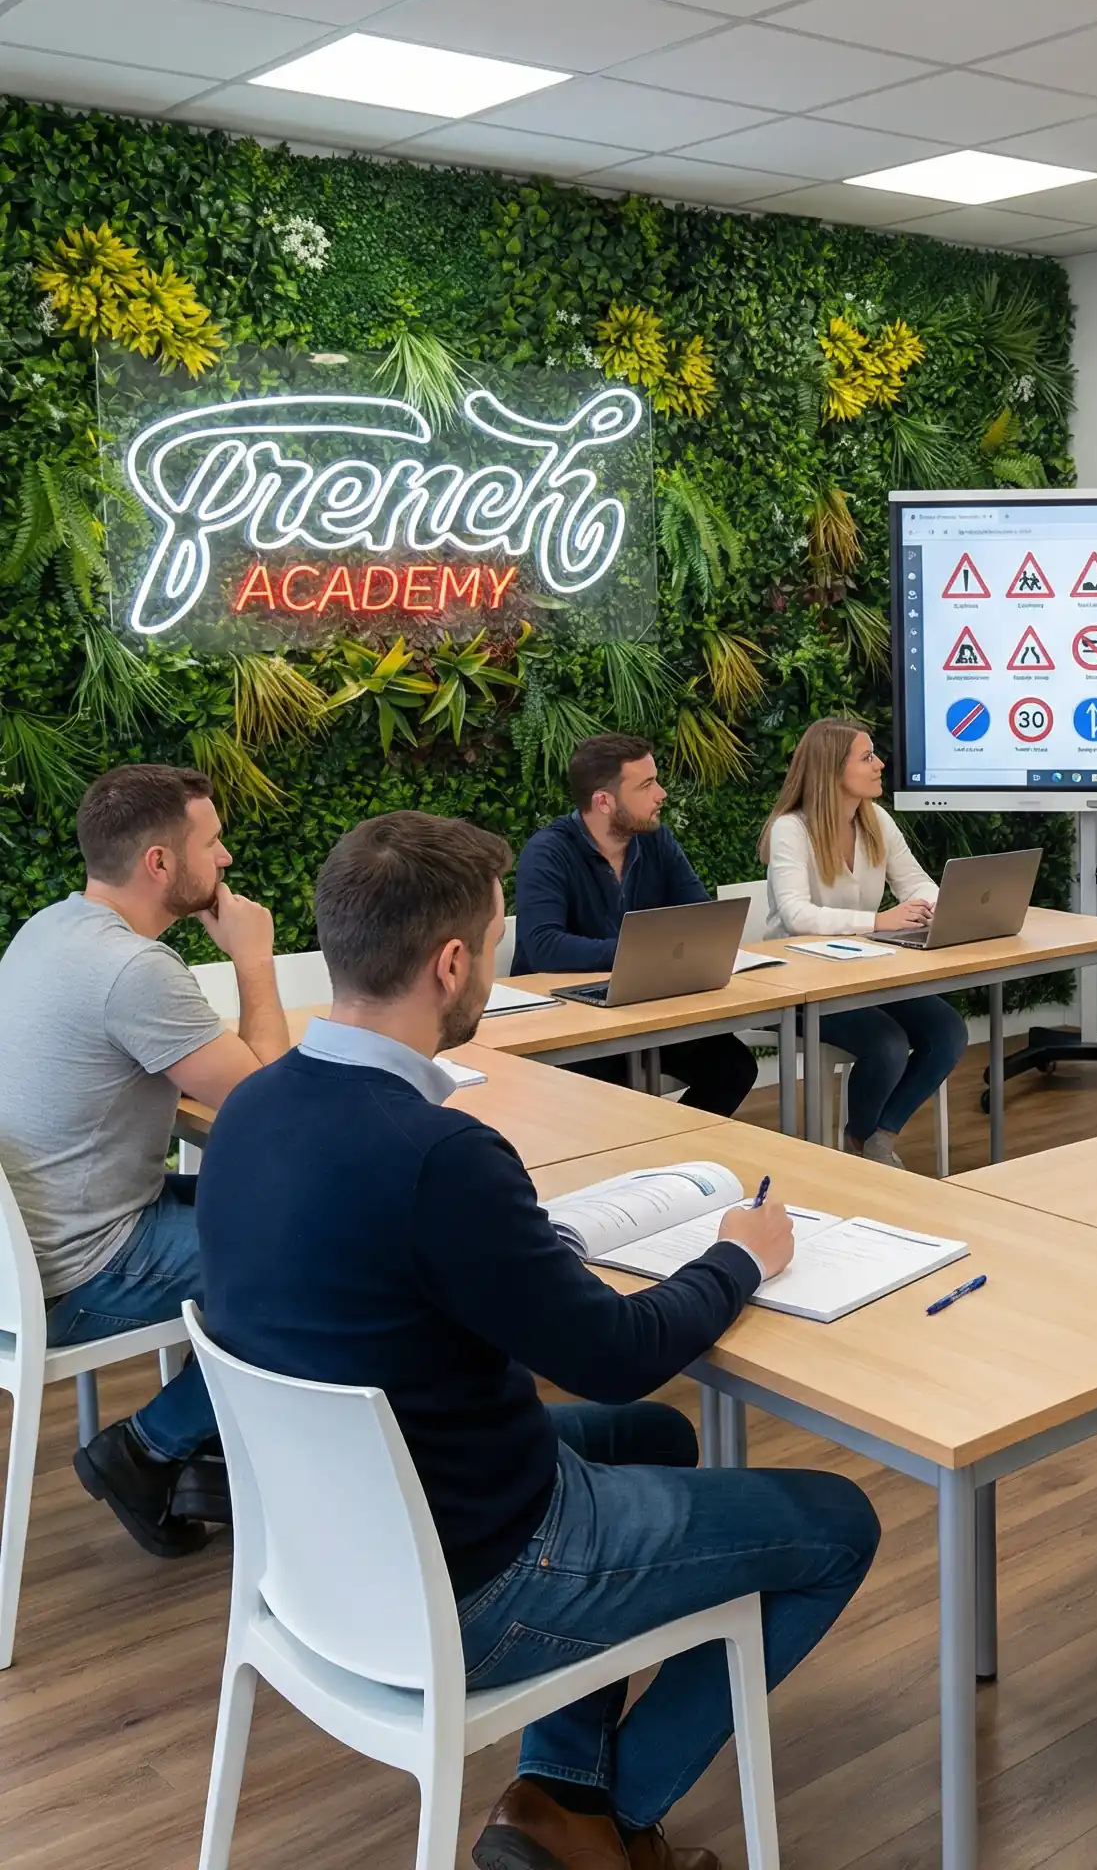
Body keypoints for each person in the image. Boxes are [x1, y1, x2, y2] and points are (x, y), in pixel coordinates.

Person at [199, 812, 880, 1870]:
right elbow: (611, 1349)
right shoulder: (442, 1154)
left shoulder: (250, 1108)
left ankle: (560, 1785)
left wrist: (516, 1255)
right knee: (839, 1520)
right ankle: (613, 1821)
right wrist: (739, 1255)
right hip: (480, 1572)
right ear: (454, 961)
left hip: (322, 1553)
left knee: (650, 1434)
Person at [0, 763, 287, 1557]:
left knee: (294, 1220)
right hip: (81, 1271)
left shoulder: (50, 927)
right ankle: (149, 1449)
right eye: (213, 840)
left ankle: (208, 1450)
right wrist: (254, 959)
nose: (226, 858)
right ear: (160, 864)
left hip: (26, 1254)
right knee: (320, 1262)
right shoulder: (133, 970)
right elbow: (266, 1102)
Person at [513, 734, 759, 1116]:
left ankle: (673, 1159)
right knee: (616, 1098)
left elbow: (701, 916)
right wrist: (636, 953)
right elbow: (543, 945)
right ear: (604, 801)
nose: (660, 793)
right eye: (646, 785)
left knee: (733, 1067)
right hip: (566, 1023)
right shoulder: (547, 852)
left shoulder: (655, 840)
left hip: (640, 1008)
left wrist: (655, 957)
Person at [759, 720, 967, 1169]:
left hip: (861, 975)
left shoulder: (875, 820)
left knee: (947, 1032)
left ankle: (874, 1136)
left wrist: (939, 908)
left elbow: (917, 883)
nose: (880, 764)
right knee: (888, 1042)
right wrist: (877, 921)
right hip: (796, 986)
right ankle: (864, 1138)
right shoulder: (790, 829)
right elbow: (796, 915)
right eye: (867, 757)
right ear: (832, 770)